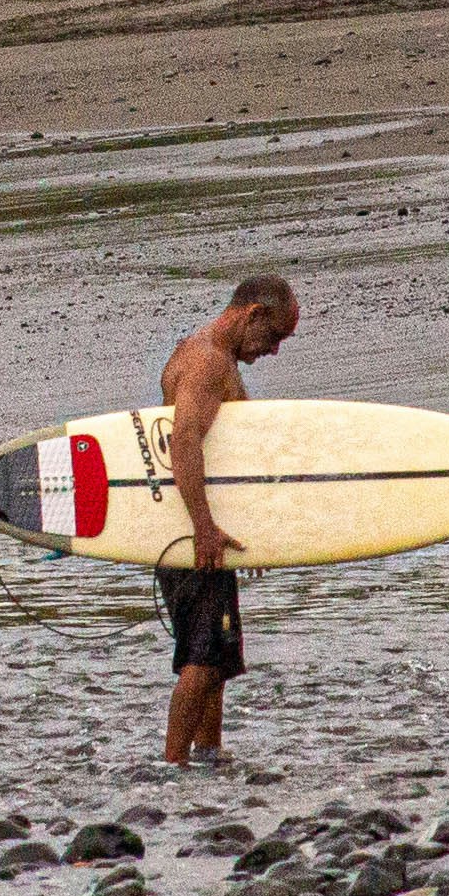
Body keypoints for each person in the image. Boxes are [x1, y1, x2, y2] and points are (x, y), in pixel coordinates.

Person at [156, 273, 300, 769]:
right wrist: (204, 528)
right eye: (275, 336)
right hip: (189, 532)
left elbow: (223, 459)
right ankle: (172, 768)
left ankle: (210, 755)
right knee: (201, 658)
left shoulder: (207, 354)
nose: (275, 350)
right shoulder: (207, 361)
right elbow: (184, 442)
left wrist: (245, 529)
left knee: (216, 656)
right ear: (252, 314)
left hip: (201, 527)